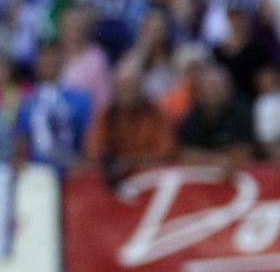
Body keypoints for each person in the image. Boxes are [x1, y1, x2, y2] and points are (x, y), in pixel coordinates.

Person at [84, 64, 175, 183]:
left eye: (132, 88)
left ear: (140, 88)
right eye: (123, 89)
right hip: (114, 183)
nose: (128, 94)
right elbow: (94, 151)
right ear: (115, 91)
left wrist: (129, 163)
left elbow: (167, 153)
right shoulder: (106, 116)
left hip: (151, 180)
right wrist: (110, 162)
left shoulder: (156, 115)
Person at [11, 44, 93, 175]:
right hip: (38, 174)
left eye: (53, 56)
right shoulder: (27, 102)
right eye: (43, 56)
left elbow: (89, 142)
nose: (48, 61)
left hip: (72, 172)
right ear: (36, 63)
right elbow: (21, 143)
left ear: (62, 60)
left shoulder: (80, 99)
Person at [178, 65, 255, 168]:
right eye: (211, 86)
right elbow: (187, 153)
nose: (216, 91)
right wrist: (216, 159)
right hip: (202, 177)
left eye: (220, 86)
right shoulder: (192, 117)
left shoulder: (242, 113)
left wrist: (205, 158)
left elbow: (244, 153)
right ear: (199, 92)